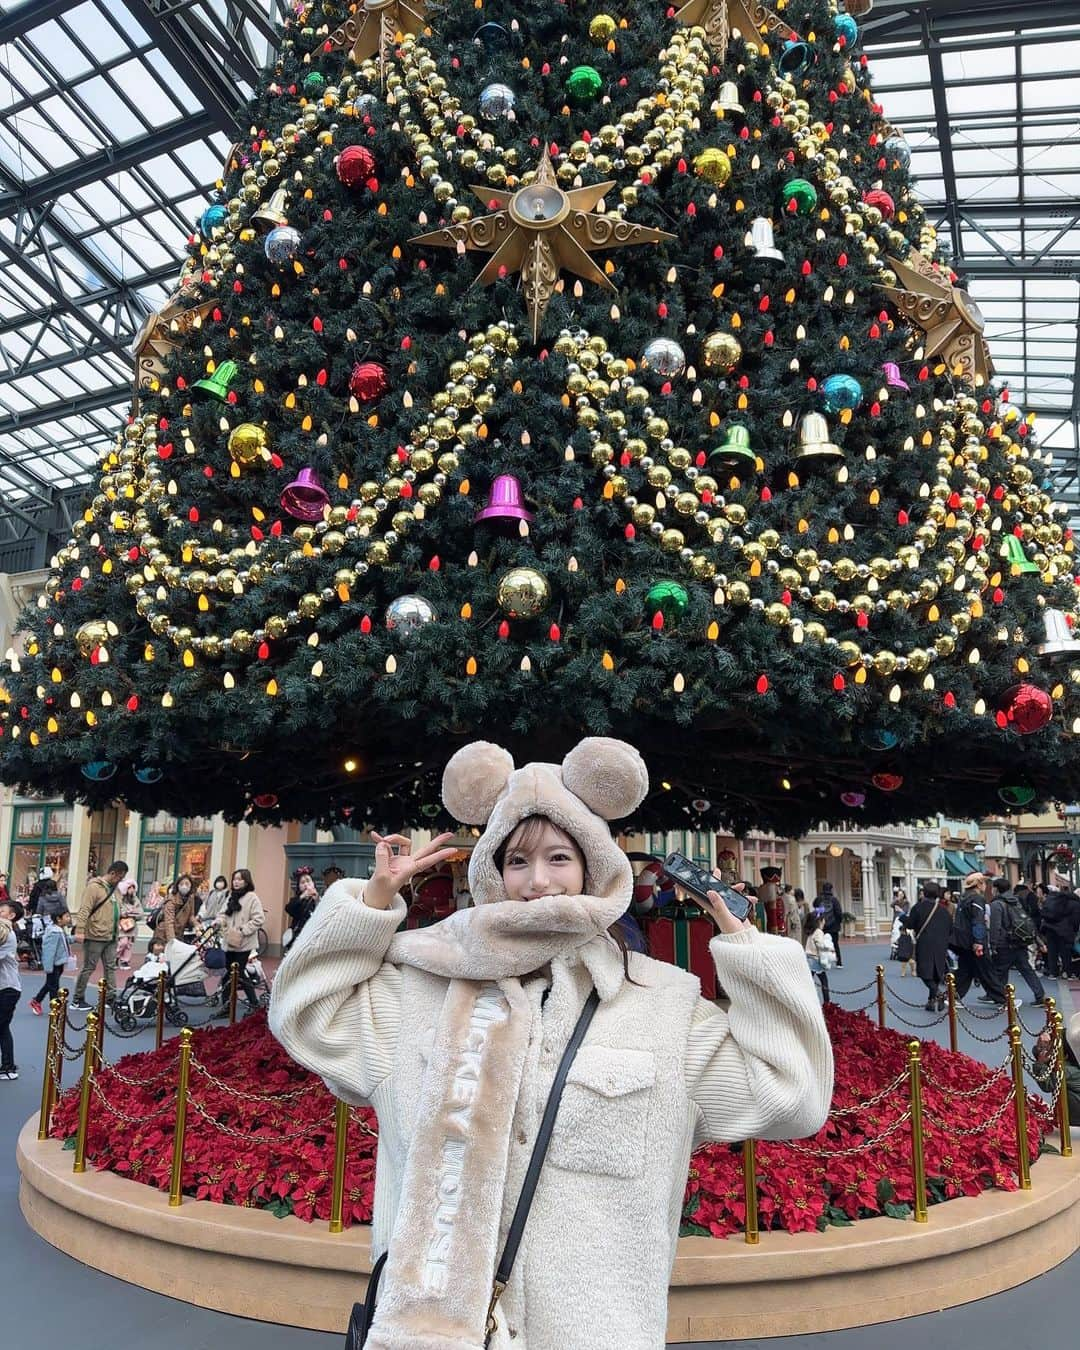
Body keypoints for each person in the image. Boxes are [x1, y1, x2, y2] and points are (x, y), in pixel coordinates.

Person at [270, 738, 832, 1350]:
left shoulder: (664, 1009)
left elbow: (793, 1095)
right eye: (517, 861)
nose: (538, 882)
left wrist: (748, 948)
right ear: (492, 873)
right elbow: (306, 1014)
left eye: (559, 858)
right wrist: (373, 902)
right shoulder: (420, 992)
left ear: (594, 867)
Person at [72, 860, 128, 1010]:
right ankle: (78, 999)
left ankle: (111, 997)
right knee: (89, 967)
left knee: (111, 967)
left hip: (111, 934)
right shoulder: (94, 888)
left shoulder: (115, 890)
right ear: (112, 873)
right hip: (95, 934)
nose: (120, 880)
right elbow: (84, 909)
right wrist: (80, 930)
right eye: (120, 877)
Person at [213, 868, 266, 1017]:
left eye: (240, 879)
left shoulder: (252, 898)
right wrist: (219, 922)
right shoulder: (231, 896)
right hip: (230, 941)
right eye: (235, 879)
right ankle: (227, 1005)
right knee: (228, 974)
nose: (236, 882)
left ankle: (254, 1003)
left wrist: (243, 930)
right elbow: (223, 914)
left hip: (244, 943)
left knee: (239, 973)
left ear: (246, 881)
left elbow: (259, 919)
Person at [951, 873, 1006, 1006]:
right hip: (974, 941)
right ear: (979, 884)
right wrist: (979, 942)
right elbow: (978, 921)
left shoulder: (964, 898)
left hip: (962, 940)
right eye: (984, 883)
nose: (986, 886)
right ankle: (1003, 999)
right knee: (987, 970)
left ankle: (953, 996)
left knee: (966, 970)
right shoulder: (977, 899)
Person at [989, 876, 1045, 1006]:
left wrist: (993, 944)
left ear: (996, 889)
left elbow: (995, 926)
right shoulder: (1017, 901)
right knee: (1026, 969)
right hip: (1020, 940)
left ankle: (1001, 997)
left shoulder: (997, 904)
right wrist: (1039, 942)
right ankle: (1040, 995)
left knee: (1000, 970)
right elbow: (1028, 921)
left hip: (1004, 942)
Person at [902, 881, 953, 1012]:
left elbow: (911, 924)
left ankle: (938, 993)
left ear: (924, 893)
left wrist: (902, 917)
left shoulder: (918, 907)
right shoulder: (944, 910)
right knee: (936, 972)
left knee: (925, 972)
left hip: (925, 943)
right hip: (941, 944)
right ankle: (931, 1001)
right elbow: (950, 928)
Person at [1031, 1013, 1080, 1126]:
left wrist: (1040, 1063)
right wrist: (1045, 1041)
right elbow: (1065, 1035)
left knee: (1058, 1083)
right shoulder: (1071, 1058)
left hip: (1075, 1117)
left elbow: (1046, 1085)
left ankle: (1065, 1124)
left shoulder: (1067, 1070)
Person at [29, 909, 72, 1015]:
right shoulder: (54, 932)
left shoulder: (59, 930)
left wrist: (75, 938)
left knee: (50, 984)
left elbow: (65, 941)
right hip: (53, 964)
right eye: (66, 916)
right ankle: (55, 1007)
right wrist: (48, 967)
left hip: (59, 962)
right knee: (54, 986)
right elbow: (49, 951)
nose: (69, 919)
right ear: (58, 919)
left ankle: (36, 1001)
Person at [1039, 873, 1080, 981]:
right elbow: (1076, 920)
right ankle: (1068, 972)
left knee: (1052, 951)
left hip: (1049, 929)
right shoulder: (1075, 904)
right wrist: (1074, 930)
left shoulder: (1053, 900)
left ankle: (1053, 973)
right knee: (1065, 952)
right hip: (1065, 931)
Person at [0, 914, 20, 1080]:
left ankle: (9, 1067)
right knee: (3, 1028)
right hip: (5, 987)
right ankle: (8, 1066)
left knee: (2, 1027)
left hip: (8, 988)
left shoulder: (7, 934)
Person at [153, 873, 197, 945]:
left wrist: (197, 924)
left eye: (187, 884)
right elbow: (169, 922)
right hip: (164, 934)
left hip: (179, 934)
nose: (184, 886)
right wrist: (172, 941)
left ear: (191, 886)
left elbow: (191, 916)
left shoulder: (190, 899)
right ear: (177, 885)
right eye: (181, 884)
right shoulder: (171, 899)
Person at [804, 912, 835, 1004]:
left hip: (808, 958)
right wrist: (828, 948)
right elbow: (820, 944)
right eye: (823, 920)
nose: (824, 922)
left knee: (809, 980)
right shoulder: (818, 932)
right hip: (815, 959)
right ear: (819, 921)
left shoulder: (811, 931)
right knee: (824, 980)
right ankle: (827, 1001)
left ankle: (808, 999)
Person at [284, 869, 319, 947]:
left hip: (313, 937)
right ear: (299, 886)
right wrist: (302, 897)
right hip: (298, 936)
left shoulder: (319, 899)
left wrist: (316, 900)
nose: (306, 884)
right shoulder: (296, 900)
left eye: (308, 881)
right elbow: (288, 909)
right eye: (302, 882)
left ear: (313, 883)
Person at [115, 879, 142, 969]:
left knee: (129, 944)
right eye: (130, 888)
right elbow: (117, 910)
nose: (132, 890)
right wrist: (123, 913)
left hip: (132, 926)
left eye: (133, 888)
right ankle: (115, 957)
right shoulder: (120, 899)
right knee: (123, 942)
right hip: (123, 925)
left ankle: (125, 961)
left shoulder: (136, 900)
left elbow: (141, 913)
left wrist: (136, 914)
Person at [816, 881, 844, 967]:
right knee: (835, 944)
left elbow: (815, 909)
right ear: (831, 889)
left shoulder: (819, 899)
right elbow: (839, 913)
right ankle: (838, 962)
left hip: (822, 926)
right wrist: (838, 923)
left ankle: (823, 961)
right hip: (833, 927)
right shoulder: (834, 900)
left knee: (822, 944)